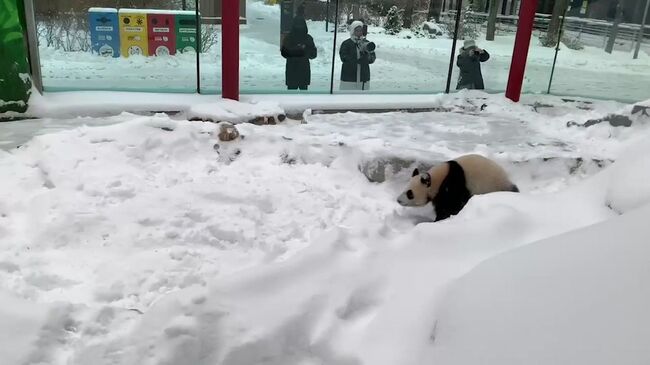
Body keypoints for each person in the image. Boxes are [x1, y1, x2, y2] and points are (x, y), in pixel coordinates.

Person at [280, 16, 317, 91]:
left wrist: (304, 49)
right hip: (296, 68)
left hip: (299, 69)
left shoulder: (290, 37)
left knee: (295, 95)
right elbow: (284, 53)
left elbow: (313, 54)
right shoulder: (290, 38)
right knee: (298, 95)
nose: (299, 27)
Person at [339, 20, 376, 91]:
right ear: (353, 31)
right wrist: (356, 61)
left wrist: (368, 55)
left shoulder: (367, 43)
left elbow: (372, 59)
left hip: (363, 78)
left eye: (361, 30)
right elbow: (343, 57)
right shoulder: (346, 43)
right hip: (349, 78)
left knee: (362, 100)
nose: (359, 32)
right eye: (357, 30)